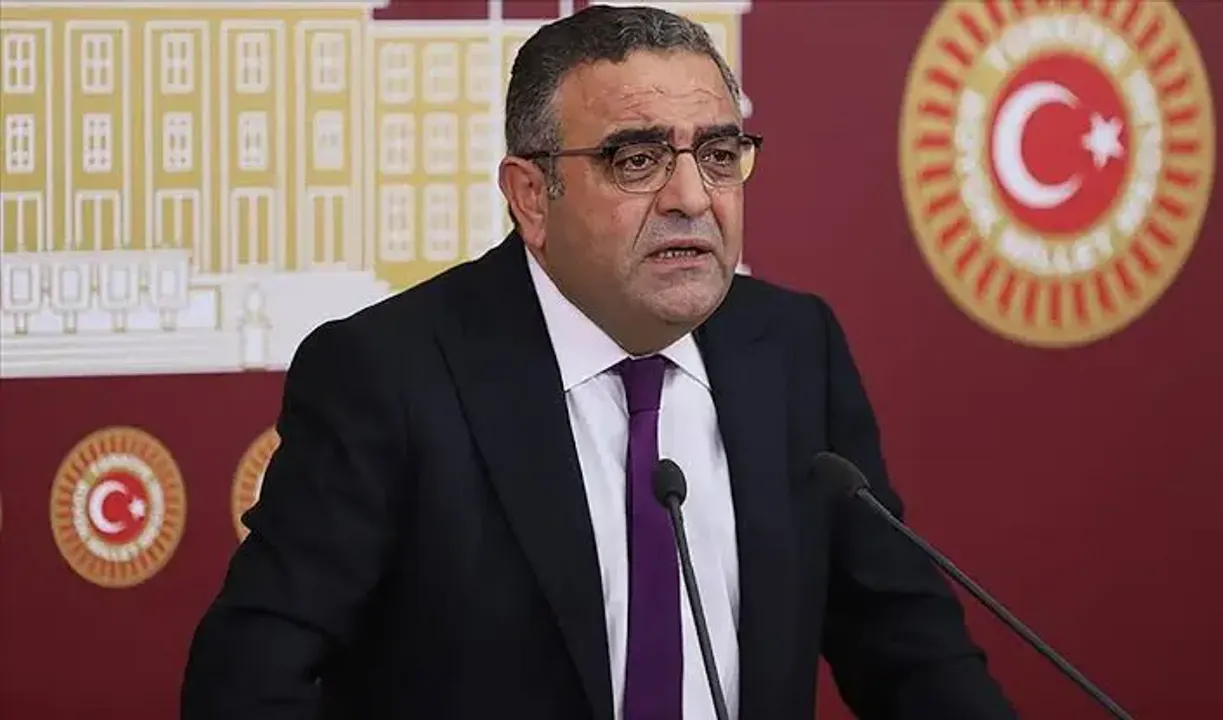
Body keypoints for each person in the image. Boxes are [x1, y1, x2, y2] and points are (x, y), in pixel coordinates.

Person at [180, 5, 1017, 719]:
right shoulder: (389, 374)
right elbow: (247, 682)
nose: (692, 197)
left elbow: (909, 653)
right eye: (637, 159)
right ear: (531, 197)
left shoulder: (794, 350)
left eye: (719, 155)